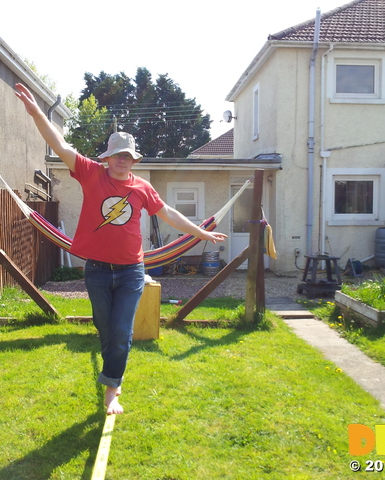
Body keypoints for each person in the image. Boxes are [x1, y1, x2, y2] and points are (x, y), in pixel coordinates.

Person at [14, 83, 227, 415]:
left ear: (133, 159)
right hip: (97, 271)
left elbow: (168, 214)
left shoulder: (142, 187)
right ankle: (111, 364)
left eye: (127, 156)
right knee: (105, 328)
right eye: (117, 155)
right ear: (108, 157)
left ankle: (113, 387)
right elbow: (58, 142)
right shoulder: (90, 173)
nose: (122, 161)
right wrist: (35, 112)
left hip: (131, 272)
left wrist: (201, 231)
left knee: (122, 331)